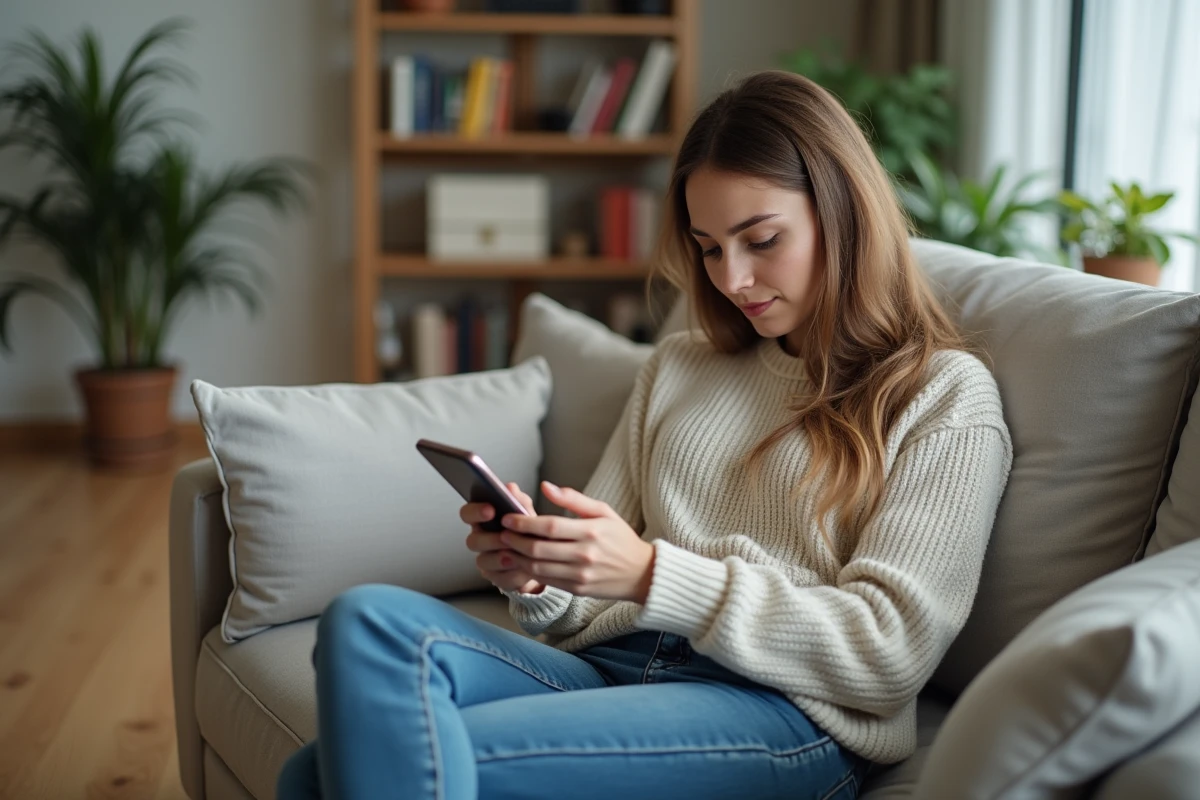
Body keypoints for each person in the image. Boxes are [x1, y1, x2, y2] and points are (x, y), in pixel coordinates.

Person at [277, 70, 1013, 800]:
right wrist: (537, 574)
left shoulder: (941, 395)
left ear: (843, 213)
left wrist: (650, 575)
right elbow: (582, 605)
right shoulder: (681, 365)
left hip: (782, 709)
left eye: (761, 240)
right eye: (709, 247)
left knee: (323, 777)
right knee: (366, 619)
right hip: (614, 666)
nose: (733, 278)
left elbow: (890, 652)